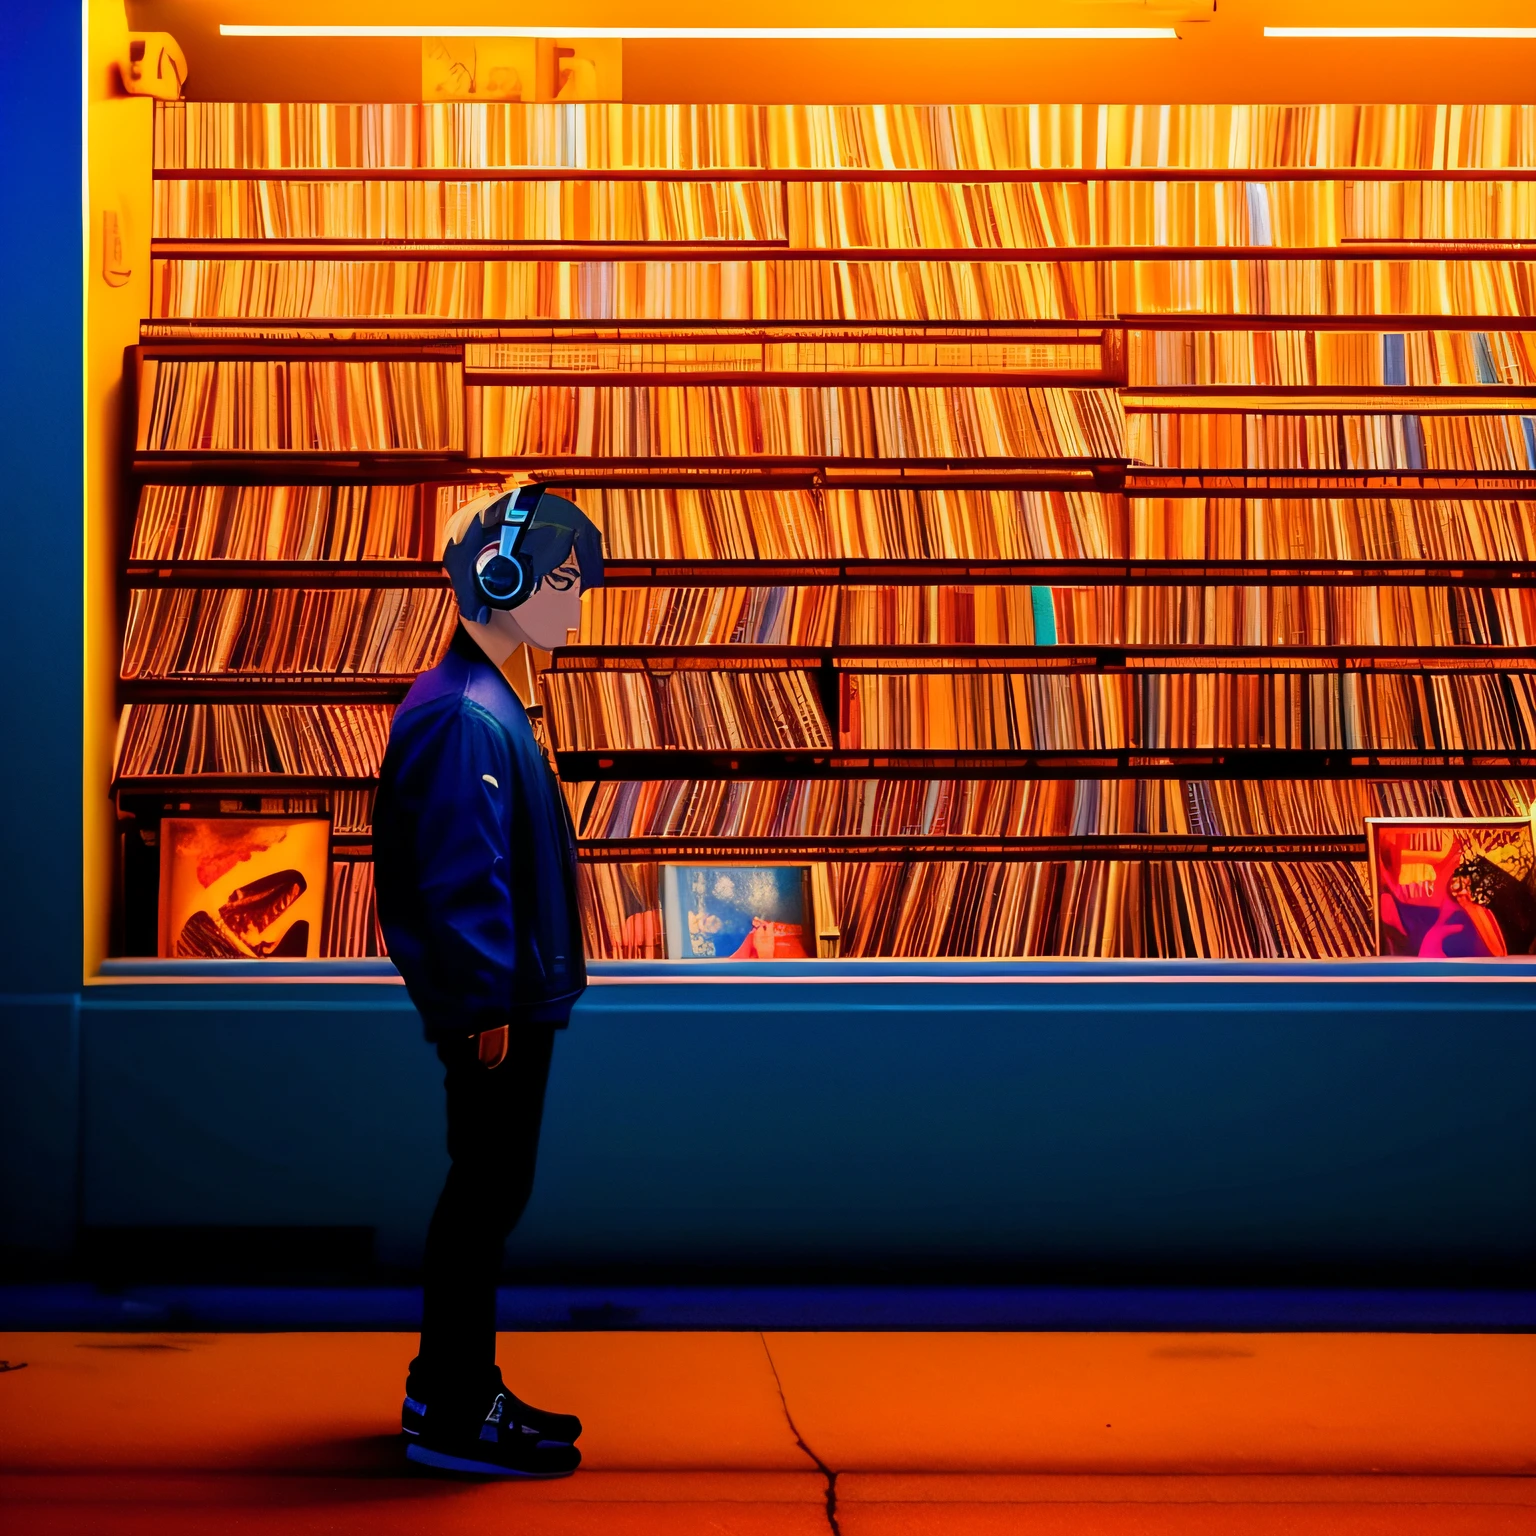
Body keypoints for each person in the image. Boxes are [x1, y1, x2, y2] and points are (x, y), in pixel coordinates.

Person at [373, 483, 604, 1477]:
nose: (577, 601)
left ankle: (450, 1383)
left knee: (485, 1191)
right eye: (558, 581)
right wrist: (482, 1006)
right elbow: (463, 872)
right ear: (497, 581)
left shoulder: (483, 701)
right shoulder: (469, 714)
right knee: (485, 1196)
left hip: (507, 996)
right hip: (498, 1006)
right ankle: (457, 1416)